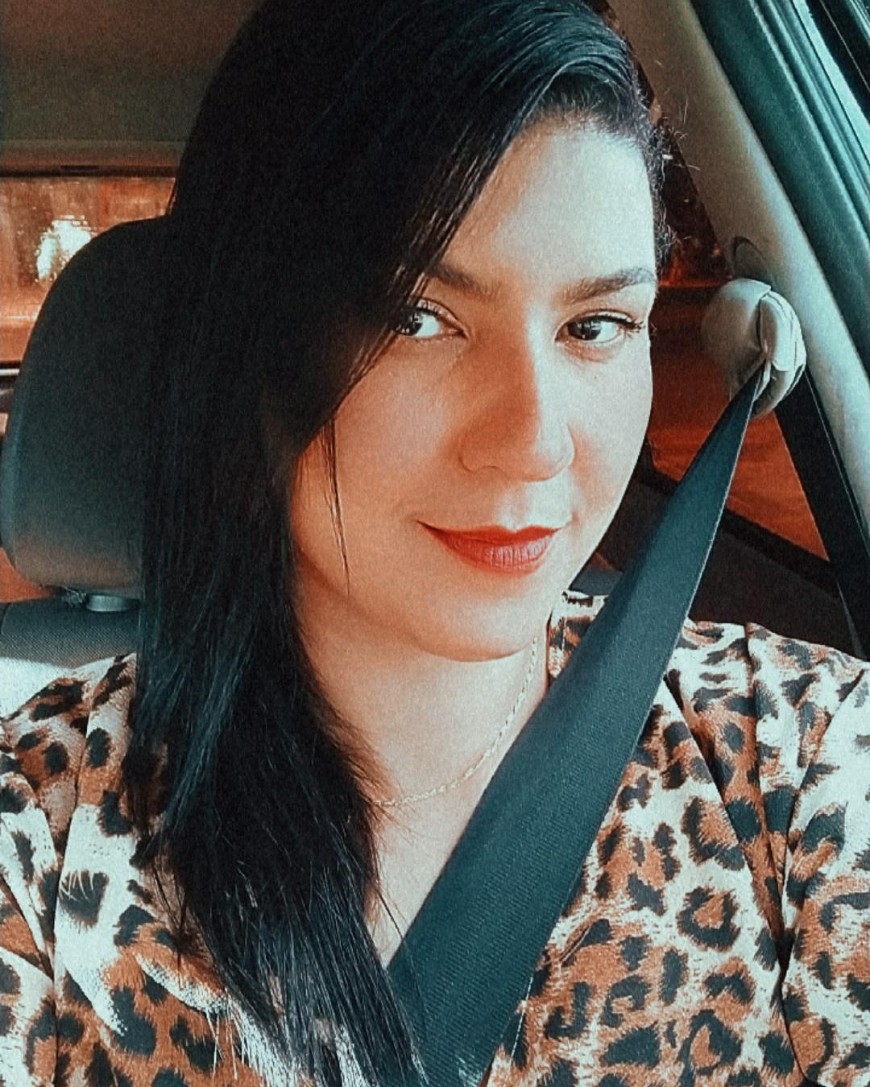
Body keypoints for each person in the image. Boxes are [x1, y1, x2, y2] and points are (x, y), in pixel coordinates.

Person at [0, 1, 868, 1084]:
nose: (534, 443)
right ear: (251, 350)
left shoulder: (800, 758)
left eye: (596, 326)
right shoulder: (38, 839)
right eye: (418, 318)